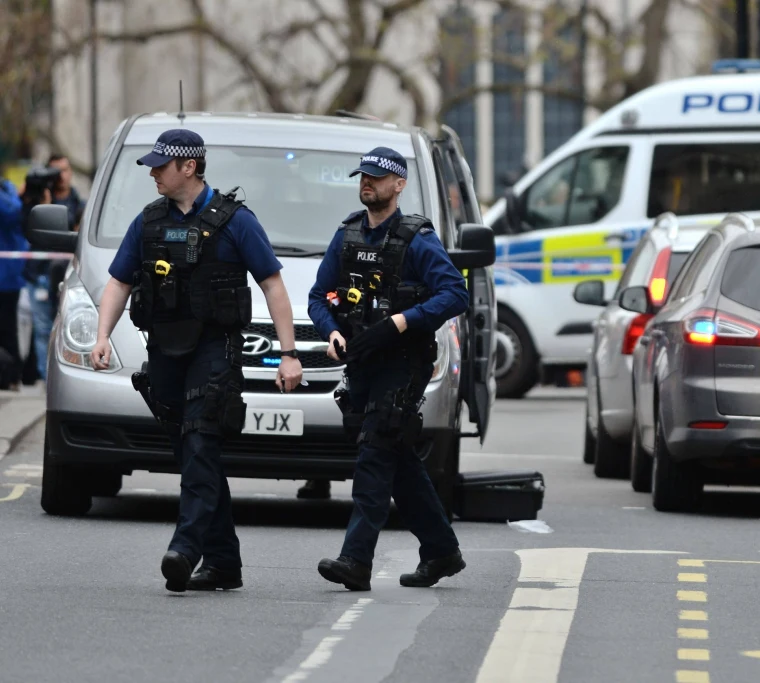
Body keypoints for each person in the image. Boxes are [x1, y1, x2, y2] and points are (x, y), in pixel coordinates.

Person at [89, 129, 304, 592]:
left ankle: (185, 548)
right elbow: (119, 282)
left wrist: (288, 354)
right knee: (193, 455)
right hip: (165, 351)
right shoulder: (148, 221)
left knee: (201, 444)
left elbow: (273, 285)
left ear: (189, 167)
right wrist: (102, 335)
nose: (152, 174)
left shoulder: (236, 221)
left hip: (214, 349)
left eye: (160, 166)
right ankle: (224, 562)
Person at [308, 146, 467, 591]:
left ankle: (355, 560)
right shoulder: (347, 235)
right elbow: (319, 297)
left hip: (403, 362)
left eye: (377, 177)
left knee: (375, 453)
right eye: (363, 175)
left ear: (398, 185)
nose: (367, 182)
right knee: (397, 459)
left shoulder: (418, 238)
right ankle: (441, 551)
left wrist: (402, 321)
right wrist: (331, 332)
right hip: (363, 361)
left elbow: (455, 293)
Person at [23, 154, 86, 382]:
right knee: (42, 329)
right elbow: (25, 227)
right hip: (40, 272)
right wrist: (39, 201)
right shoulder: (38, 200)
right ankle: (47, 379)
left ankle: (69, 377)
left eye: (65, 170)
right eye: (55, 171)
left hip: (70, 274)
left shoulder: (80, 203)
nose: (60, 176)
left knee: (71, 328)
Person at [0, 177, 26, 389]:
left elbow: (13, 213)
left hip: (7, 276)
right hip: (8, 273)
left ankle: (11, 376)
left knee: (8, 329)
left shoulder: (7, 189)